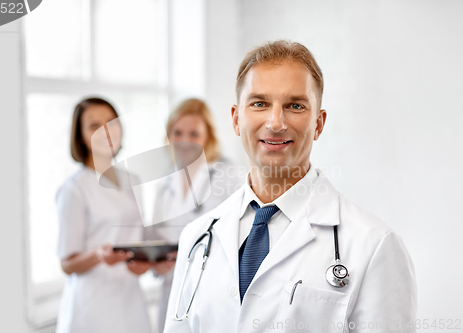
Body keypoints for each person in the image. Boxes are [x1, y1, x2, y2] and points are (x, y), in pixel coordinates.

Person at [163, 41, 417, 333]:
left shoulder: (374, 246)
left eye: (295, 106)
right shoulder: (198, 237)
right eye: (259, 103)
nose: (275, 123)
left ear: (319, 124)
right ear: (236, 118)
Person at [146, 98, 244, 333]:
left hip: (215, 288)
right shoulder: (164, 182)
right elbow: (155, 236)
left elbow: (243, 236)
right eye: (177, 133)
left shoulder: (229, 176)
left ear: (208, 136)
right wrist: (156, 261)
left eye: (194, 134)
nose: (185, 141)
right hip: (172, 287)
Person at [56, 97, 152, 333]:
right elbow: (67, 264)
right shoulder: (74, 189)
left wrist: (146, 261)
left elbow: (137, 239)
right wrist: (99, 255)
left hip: (131, 299)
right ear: (80, 136)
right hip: (92, 307)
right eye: (93, 125)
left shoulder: (133, 181)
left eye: (111, 122)